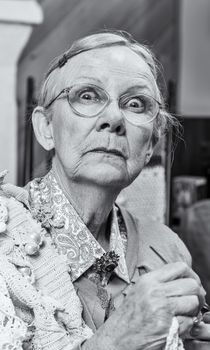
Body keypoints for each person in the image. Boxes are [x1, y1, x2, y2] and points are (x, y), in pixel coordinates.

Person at [0, 30, 210, 350]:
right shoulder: (6, 245)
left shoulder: (167, 249)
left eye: (135, 103)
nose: (113, 118)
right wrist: (117, 340)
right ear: (45, 128)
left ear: (151, 144)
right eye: (87, 95)